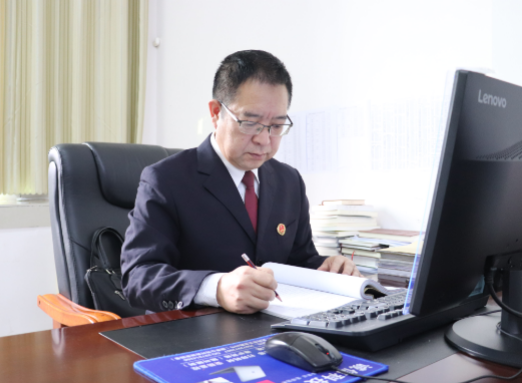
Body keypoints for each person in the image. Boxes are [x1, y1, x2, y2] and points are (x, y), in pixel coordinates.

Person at [121, 50, 361, 315]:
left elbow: (299, 261)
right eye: (250, 122)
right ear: (216, 113)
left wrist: (328, 269)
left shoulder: (289, 181)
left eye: (277, 126)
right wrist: (216, 288)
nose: (264, 140)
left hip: (276, 326)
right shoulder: (166, 179)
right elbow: (138, 277)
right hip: (195, 330)